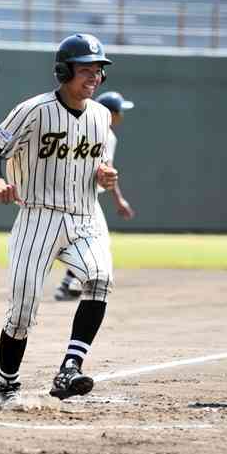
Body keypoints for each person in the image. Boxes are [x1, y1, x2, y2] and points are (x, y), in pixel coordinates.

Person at [0, 33, 118, 403]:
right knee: (22, 312)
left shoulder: (102, 116)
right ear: (64, 71)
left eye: (98, 71)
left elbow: (96, 164)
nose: (94, 77)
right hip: (37, 217)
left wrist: (103, 174)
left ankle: (69, 369)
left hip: (83, 217)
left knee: (101, 279)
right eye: (85, 69)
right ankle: (8, 381)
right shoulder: (34, 110)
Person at [54, 90, 136, 301]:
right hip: (83, 198)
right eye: (119, 111)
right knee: (96, 241)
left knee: (86, 240)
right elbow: (107, 169)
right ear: (110, 113)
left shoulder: (83, 127)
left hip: (77, 194)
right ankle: (70, 284)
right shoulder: (105, 134)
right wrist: (119, 199)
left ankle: (70, 284)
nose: (121, 116)